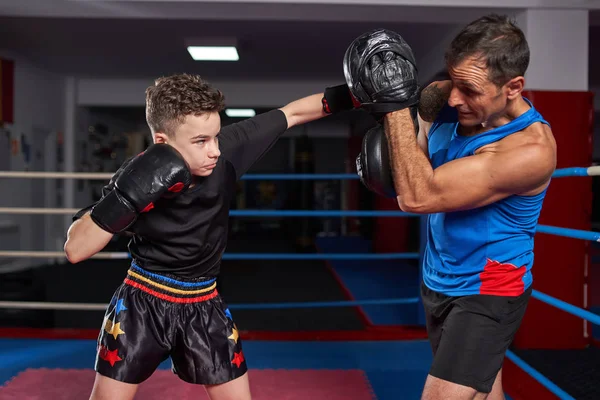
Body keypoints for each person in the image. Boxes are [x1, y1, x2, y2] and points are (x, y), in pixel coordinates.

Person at [63, 73, 355, 400]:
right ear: (162, 142)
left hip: (204, 303)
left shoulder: (224, 151)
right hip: (142, 303)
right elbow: (76, 249)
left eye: (216, 136)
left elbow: (293, 113)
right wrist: (127, 198)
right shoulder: (135, 177)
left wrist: (356, 93)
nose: (214, 150)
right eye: (201, 141)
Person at [348, 15, 557, 400]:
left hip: (490, 287)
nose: (455, 96)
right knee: (482, 389)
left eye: (471, 89)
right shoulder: (446, 97)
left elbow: (416, 197)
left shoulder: (528, 152)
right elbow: (412, 152)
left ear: (513, 87)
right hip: (439, 277)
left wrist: (395, 109)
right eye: (453, 80)